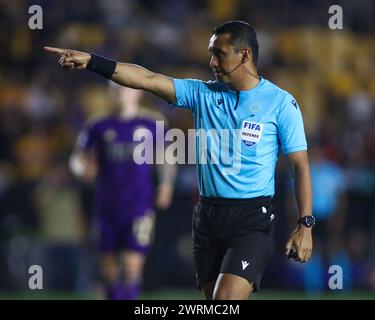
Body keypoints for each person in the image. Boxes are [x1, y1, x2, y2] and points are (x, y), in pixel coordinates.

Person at [44, 20, 314, 300]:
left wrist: (305, 224)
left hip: (251, 218)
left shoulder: (281, 103)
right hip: (207, 217)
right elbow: (147, 79)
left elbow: (300, 166)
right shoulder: (202, 94)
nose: (212, 62)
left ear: (244, 55)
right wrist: (91, 62)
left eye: (219, 53)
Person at [69, 84, 176, 300]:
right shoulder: (98, 125)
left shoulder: (153, 123)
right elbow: (77, 158)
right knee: (108, 268)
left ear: (137, 92)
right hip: (107, 205)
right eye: (115, 89)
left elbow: (166, 157)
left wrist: (166, 184)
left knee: (132, 265)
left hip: (139, 204)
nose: (120, 93)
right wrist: (82, 170)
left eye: (125, 88)